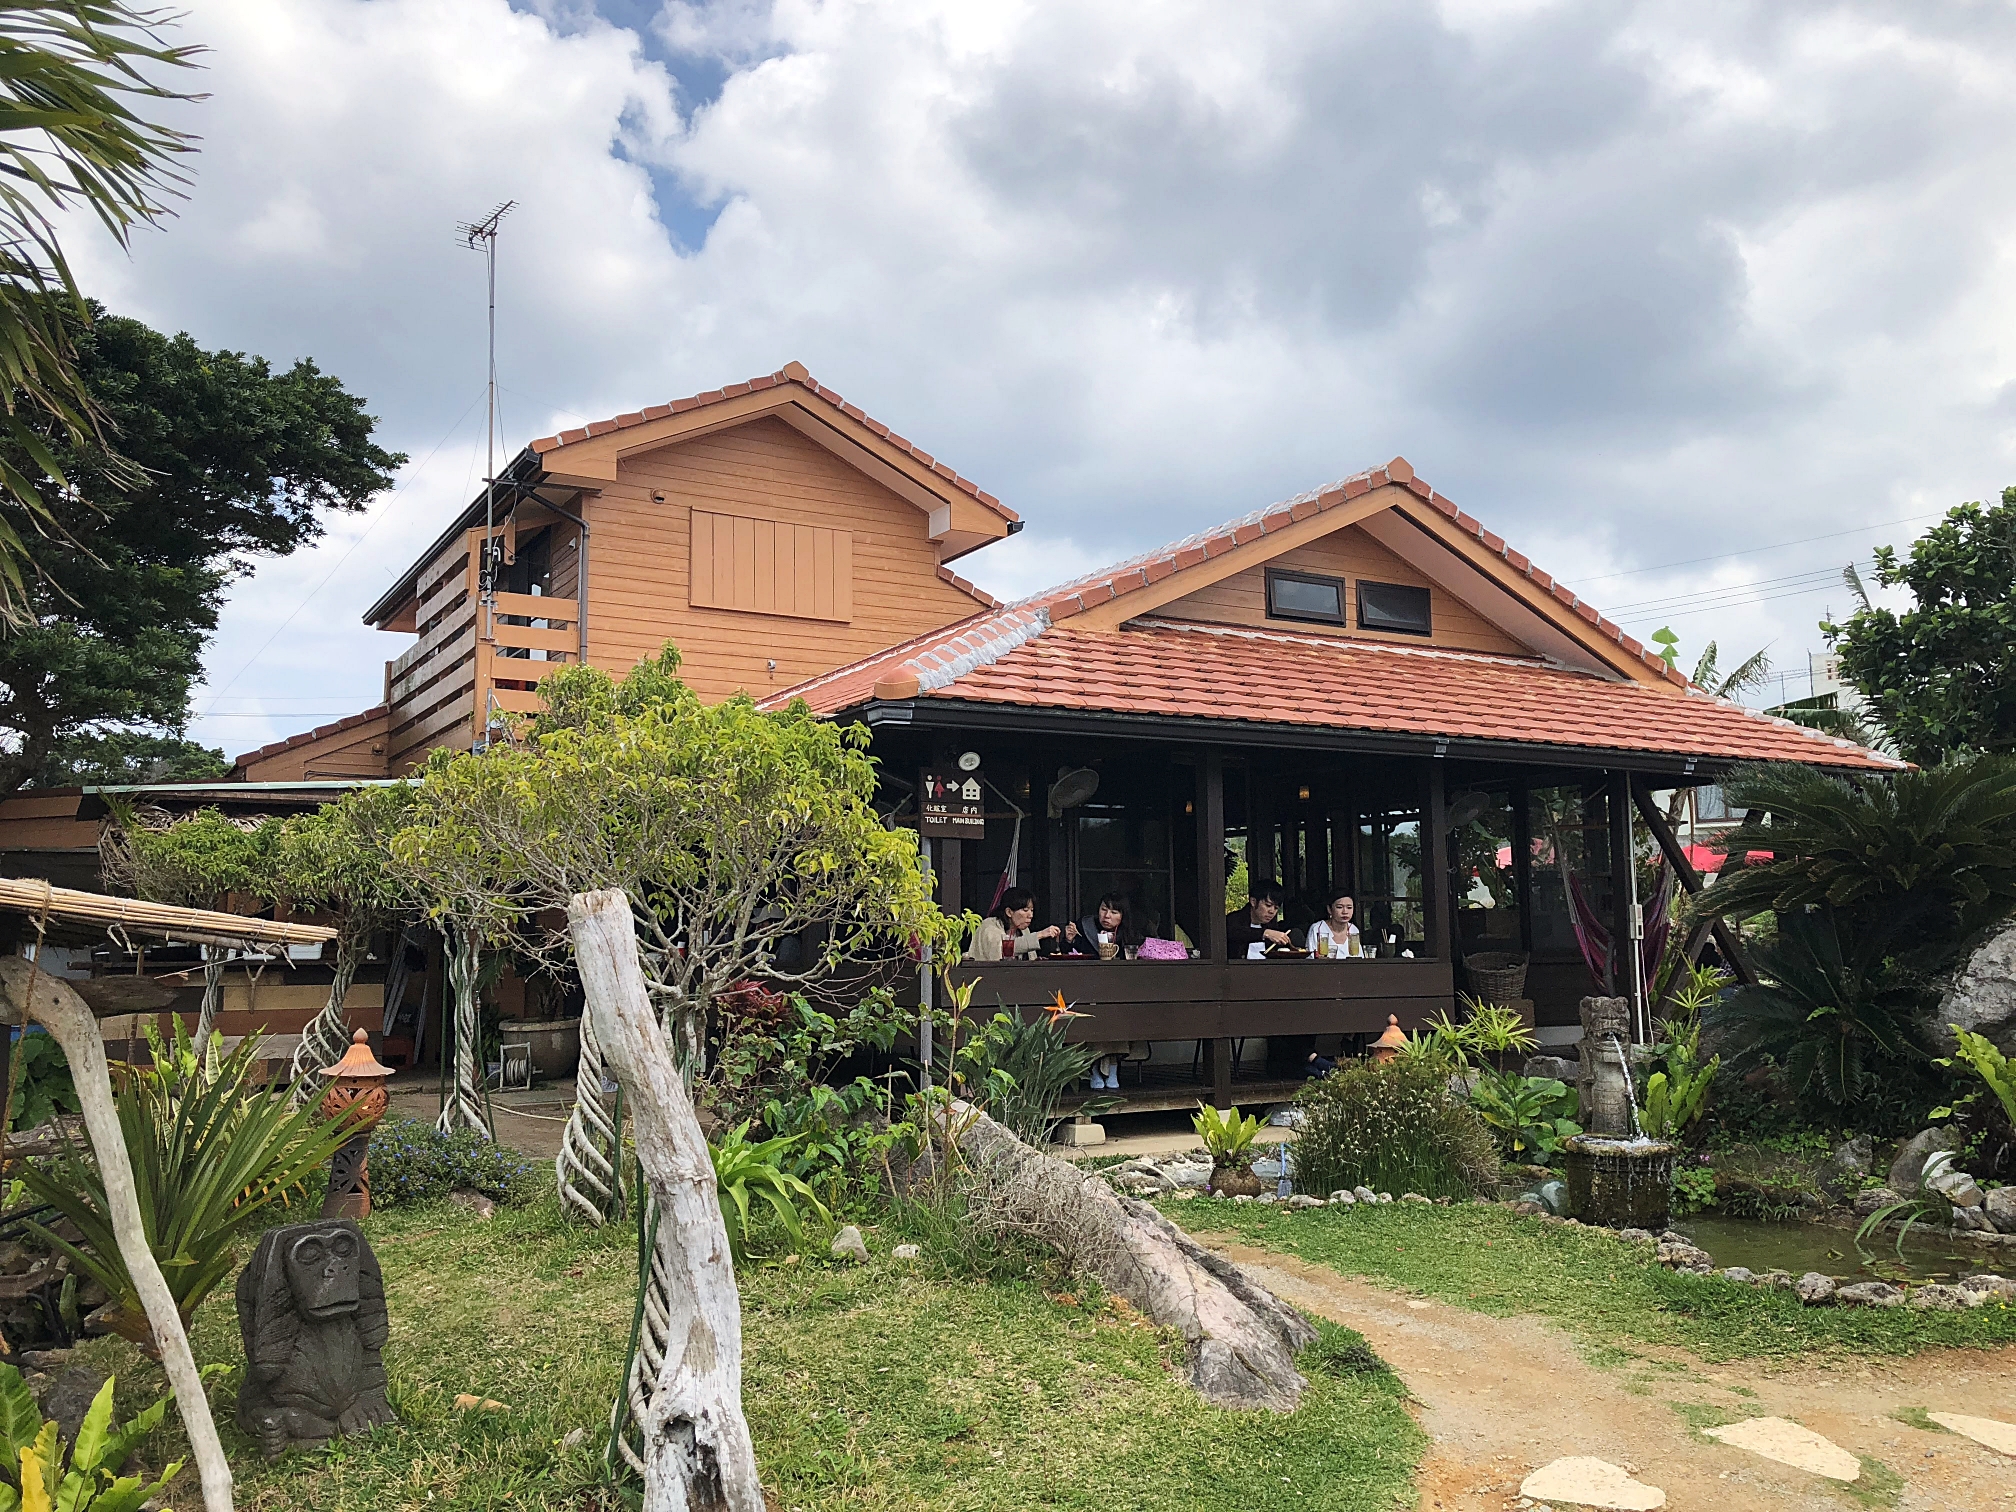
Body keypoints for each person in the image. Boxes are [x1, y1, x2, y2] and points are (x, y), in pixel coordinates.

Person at [966, 888, 1061, 961]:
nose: (1031, 915)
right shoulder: (989, 926)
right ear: (1009, 912)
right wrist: (1040, 935)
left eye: (1032, 910)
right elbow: (1002, 949)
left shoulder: (1024, 930)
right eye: (1025, 910)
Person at [1226, 882, 1295, 958]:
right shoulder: (1233, 920)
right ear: (1253, 901)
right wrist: (1265, 933)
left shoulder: (1272, 925)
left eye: (1276, 908)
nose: (1272, 911)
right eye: (1268, 905)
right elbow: (1234, 933)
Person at [1064, 893, 1141, 959]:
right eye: (1103, 909)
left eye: (1114, 912)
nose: (1107, 915)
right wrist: (1069, 941)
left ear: (1123, 916)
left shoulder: (1130, 934)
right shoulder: (1083, 928)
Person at [1306, 890, 1364, 959]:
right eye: (1339, 907)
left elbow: (1359, 958)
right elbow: (1310, 958)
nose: (1345, 912)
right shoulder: (1317, 928)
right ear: (1329, 909)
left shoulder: (1353, 929)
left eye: (1349, 907)